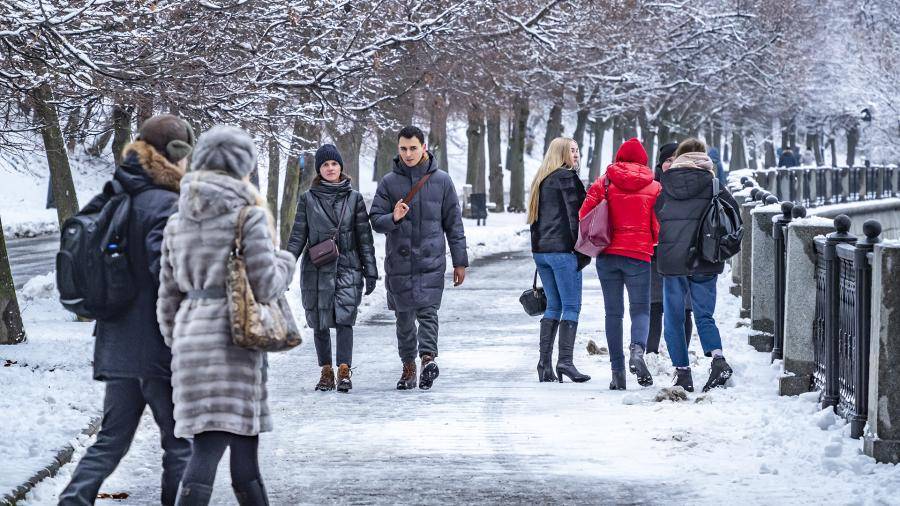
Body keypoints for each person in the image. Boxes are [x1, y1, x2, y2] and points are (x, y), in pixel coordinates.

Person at [59, 114, 193, 506]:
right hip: (158, 348)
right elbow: (167, 272)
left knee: (111, 440)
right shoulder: (166, 205)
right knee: (181, 443)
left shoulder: (114, 193)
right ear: (173, 155)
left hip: (117, 344)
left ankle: (72, 501)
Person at [157, 125, 296, 505]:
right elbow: (266, 286)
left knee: (235, 447)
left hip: (191, 336)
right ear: (243, 168)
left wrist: (180, 337)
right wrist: (285, 262)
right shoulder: (247, 217)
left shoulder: (176, 220)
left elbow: (167, 297)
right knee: (215, 445)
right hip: (232, 337)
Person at [369, 126, 468, 391]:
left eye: (413, 148)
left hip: (430, 260)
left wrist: (460, 261)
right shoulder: (389, 182)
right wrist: (394, 217)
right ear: (398, 149)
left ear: (424, 147)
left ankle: (427, 359)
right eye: (403, 148)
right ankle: (408, 367)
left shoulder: (442, 181)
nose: (409, 153)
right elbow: (376, 220)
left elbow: (454, 225)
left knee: (427, 313)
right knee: (403, 319)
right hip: (399, 261)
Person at [287, 144, 378, 393]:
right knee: (319, 321)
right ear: (319, 169)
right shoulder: (307, 199)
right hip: (316, 268)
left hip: (348, 267)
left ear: (341, 167)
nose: (330, 168)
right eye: (325, 165)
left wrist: (371, 271)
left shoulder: (354, 198)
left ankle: (344, 371)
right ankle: (326, 371)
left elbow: (364, 239)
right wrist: (285, 267)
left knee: (345, 320)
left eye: (334, 164)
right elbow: (297, 237)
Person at [655, 138, 738, 393]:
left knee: (674, 318)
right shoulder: (713, 184)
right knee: (704, 315)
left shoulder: (665, 183)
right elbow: (733, 215)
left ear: (679, 156)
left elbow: (657, 214)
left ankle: (682, 372)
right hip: (705, 256)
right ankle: (718, 359)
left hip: (673, 259)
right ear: (703, 157)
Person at [579, 138, 661, 390]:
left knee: (613, 313)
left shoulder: (603, 183)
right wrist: (650, 241)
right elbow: (658, 224)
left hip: (607, 254)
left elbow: (584, 215)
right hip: (638, 255)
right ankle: (637, 349)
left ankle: (617, 372)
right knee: (641, 309)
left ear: (619, 157)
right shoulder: (654, 187)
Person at [528, 137, 590, 383]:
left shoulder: (540, 179)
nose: (576, 155)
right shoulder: (567, 178)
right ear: (561, 153)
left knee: (554, 305)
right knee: (572, 306)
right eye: (571, 151)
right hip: (563, 251)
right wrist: (583, 253)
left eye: (577, 150)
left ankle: (544, 364)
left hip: (542, 251)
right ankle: (565, 361)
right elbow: (578, 217)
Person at [647, 142, 693, 355]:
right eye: (667, 160)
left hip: (683, 256)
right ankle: (651, 354)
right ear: (660, 163)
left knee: (683, 309)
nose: (672, 163)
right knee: (654, 306)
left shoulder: (692, 184)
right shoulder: (651, 187)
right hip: (655, 255)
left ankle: (681, 355)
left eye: (676, 158)